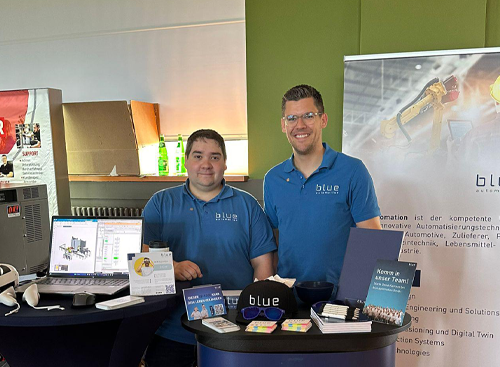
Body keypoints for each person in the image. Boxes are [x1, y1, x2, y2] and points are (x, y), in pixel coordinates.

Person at [143, 129, 276, 367]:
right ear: (186, 161)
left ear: (225, 163)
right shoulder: (161, 203)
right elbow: (143, 263)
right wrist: (171, 267)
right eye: (198, 156)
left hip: (234, 331)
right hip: (172, 329)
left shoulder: (247, 206)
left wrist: (255, 321)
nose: (206, 164)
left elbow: (263, 269)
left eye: (214, 157)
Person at [263, 84, 381, 290]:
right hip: (290, 299)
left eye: (308, 116)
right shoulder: (273, 179)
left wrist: (356, 297)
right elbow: (274, 242)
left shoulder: (353, 171)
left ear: (323, 120)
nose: (299, 125)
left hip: (340, 301)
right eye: (292, 118)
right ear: (283, 125)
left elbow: (372, 241)